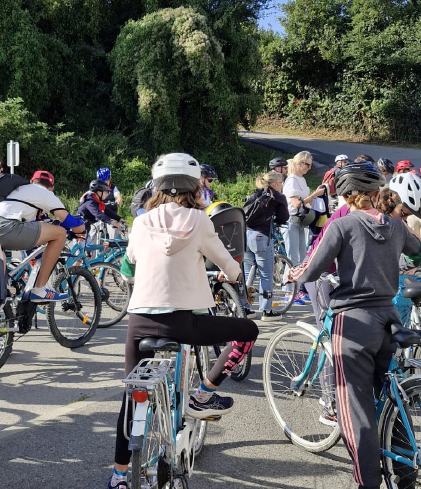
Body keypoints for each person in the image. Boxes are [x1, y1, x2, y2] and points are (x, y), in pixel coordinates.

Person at [106, 153, 258, 489]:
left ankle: (118, 475)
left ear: (156, 186)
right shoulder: (200, 221)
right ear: (195, 186)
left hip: (140, 322)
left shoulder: (142, 222)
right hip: (185, 324)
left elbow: (131, 261)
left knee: (131, 399)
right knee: (248, 331)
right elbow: (230, 267)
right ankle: (204, 394)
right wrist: (228, 274)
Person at [288, 165, 421, 489]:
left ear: (346, 196)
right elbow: (418, 250)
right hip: (389, 319)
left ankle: (368, 483)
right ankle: (406, 473)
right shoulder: (395, 225)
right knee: (392, 396)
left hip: (353, 325)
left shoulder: (343, 225)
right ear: (378, 193)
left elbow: (312, 268)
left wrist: (294, 274)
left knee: (355, 410)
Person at [0, 170, 85, 301]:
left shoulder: (19, 190)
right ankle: (40, 289)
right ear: (51, 187)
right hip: (4, 228)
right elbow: (69, 221)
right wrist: (82, 228)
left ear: (31, 181)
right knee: (59, 233)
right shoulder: (45, 193)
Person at [243, 171, 289, 320]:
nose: (282, 185)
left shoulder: (254, 193)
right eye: (281, 183)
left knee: (247, 274)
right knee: (265, 274)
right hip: (261, 237)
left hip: (245, 235)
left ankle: (245, 308)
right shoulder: (278, 196)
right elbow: (284, 217)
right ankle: (267, 311)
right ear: (275, 184)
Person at [282, 151, 324, 302]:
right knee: (292, 257)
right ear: (299, 163)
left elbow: (305, 201)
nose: (309, 167)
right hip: (292, 220)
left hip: (300, 221)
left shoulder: (301, 179)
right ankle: (288, 291)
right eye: (307, 164)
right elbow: (296, 203)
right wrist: (315, 195)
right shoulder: (292, 180)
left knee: (300, 256)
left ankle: (297, 289)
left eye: (310, 165)